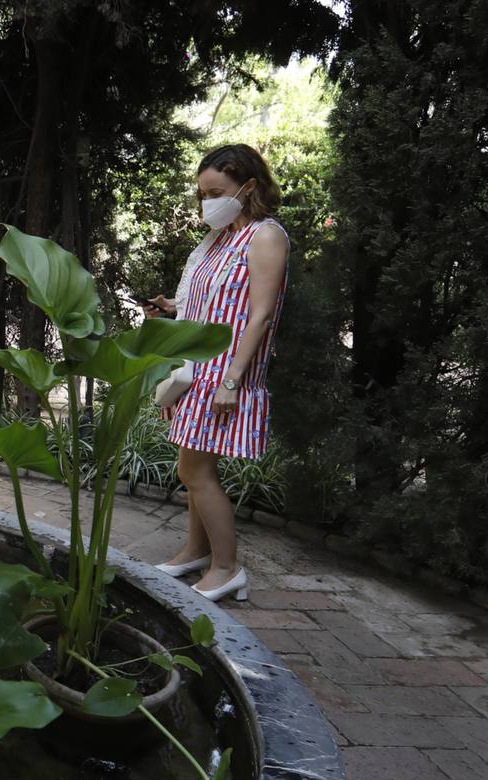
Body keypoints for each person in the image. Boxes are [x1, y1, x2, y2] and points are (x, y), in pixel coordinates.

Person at [147, 143, 289, 603]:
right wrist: (173, 307)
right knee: (196, 467)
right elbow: (216, 299)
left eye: (216, 191)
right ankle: (196, 550)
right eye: (202, 192)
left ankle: (227, 568)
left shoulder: (265, 236)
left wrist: (232, 380)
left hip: (225, 371)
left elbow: (261, 314)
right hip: (198, 367)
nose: (207, 201)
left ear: (248, 186)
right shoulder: (222, 236)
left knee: (195, 470)